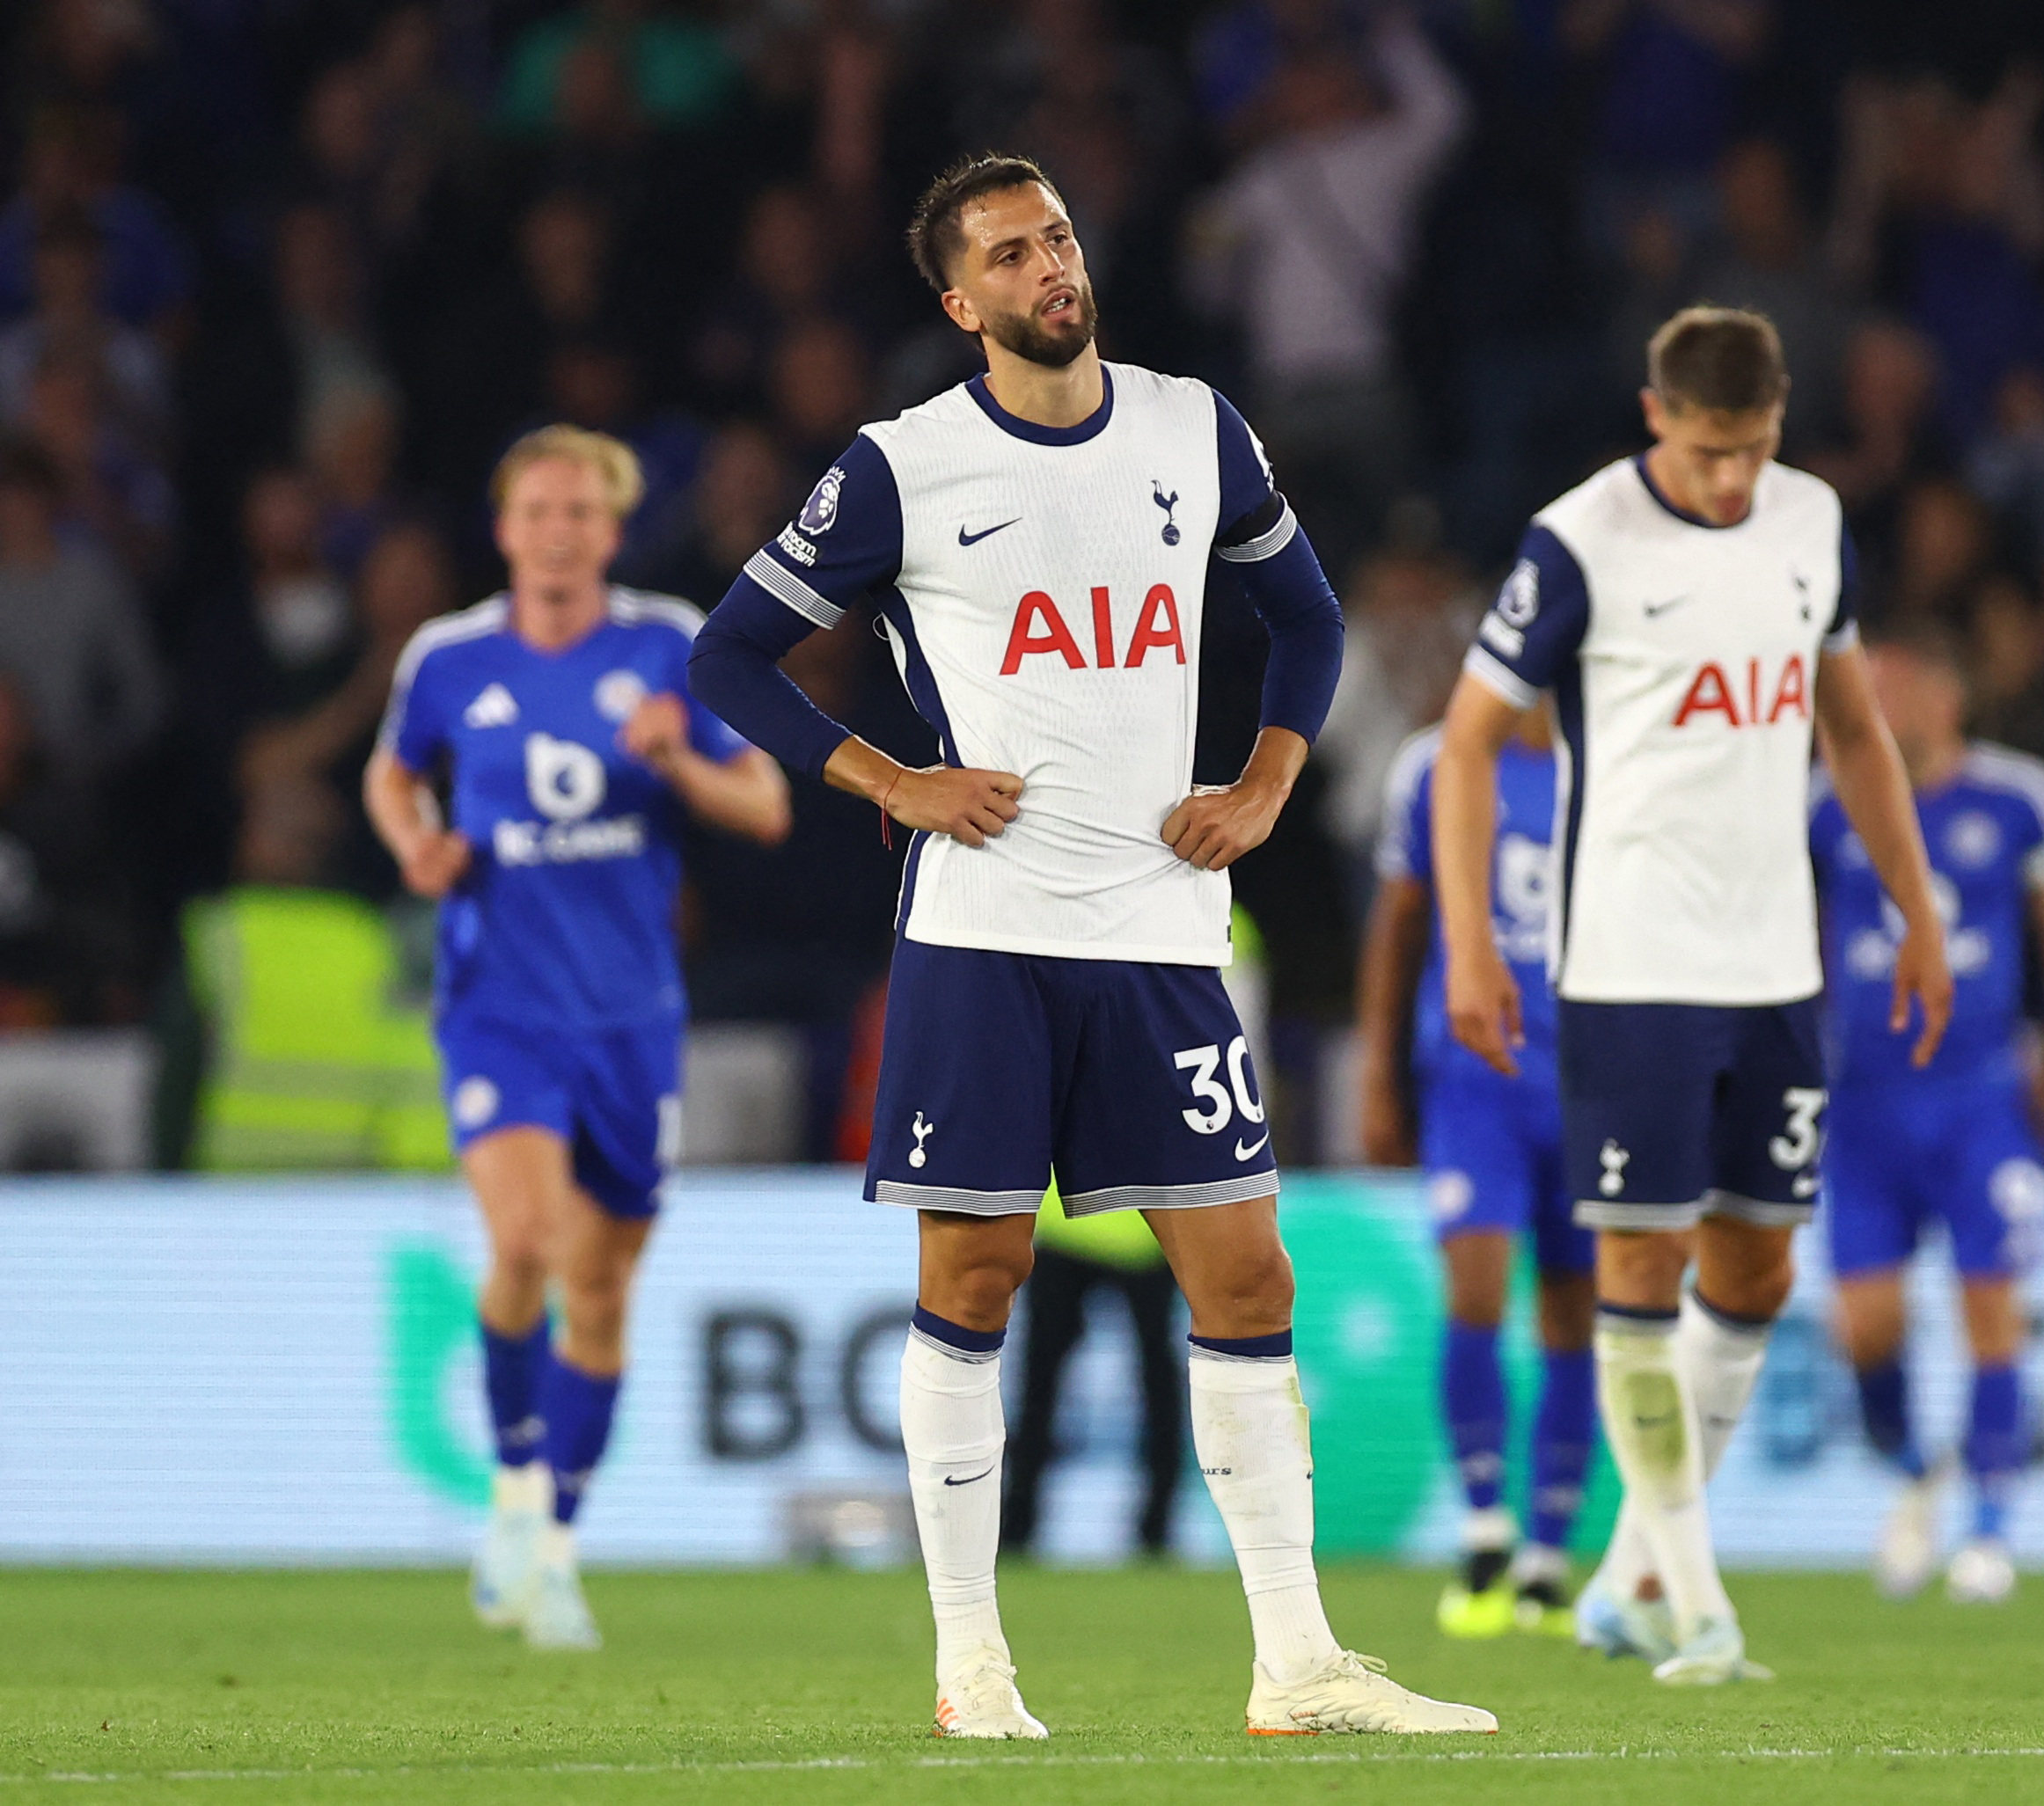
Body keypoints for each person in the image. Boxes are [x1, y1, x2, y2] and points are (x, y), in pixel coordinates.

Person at [689, 153, 1492, 1739]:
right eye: (1009, 254)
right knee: (971, 1272)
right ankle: (971, 1665)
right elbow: (729, 653)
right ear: (958, 301)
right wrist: (889, 777)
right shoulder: (899, 467)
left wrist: (1264, 780)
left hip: (1159, 925)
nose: (1048, 266)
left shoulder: (1195, 426)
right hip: (982, 929)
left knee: (1246, 1267)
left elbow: (1308, 620)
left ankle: (1296, 1660)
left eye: (1054, 237)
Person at [1430, 306, 1953, 1685]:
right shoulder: (1581, 540)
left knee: (1760, 1270)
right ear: (1658, 417)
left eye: (1756, 449)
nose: (1733, 479)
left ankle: (1627, 1577)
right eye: (1712, 450)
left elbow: (1855, 729)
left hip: (1776, 963)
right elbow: (1467, 747)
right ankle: (1697, 1598)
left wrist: (1916, 909)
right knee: (1639, 1271)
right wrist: (1472, 941)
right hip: (1633, 963)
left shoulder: (1812, 523)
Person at [364, 427, 789, 1649]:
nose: (559, 531)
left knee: (600, 1290)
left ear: (611, 532)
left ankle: (553, 1545)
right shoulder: (447, 659)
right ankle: (507, 1491)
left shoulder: (667, 646)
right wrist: (415, 844)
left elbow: (762, 801)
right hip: (500, 1005)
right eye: (538, 510)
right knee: (530, 1241)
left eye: (582, 513)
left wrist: (679, 764)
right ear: (504, 529)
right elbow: (396, 778)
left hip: (632, 1018)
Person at [1810, 618, 2044, 1606]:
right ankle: (1911, 1469)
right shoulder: (1827, 804)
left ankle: (1989, 1531)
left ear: (1948, 697)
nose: (1879, 712)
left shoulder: (2019, 797)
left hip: (1979, 1098)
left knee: (1992, 1307)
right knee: (1866, 1325)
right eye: (1869, 695)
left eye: (1895, 690)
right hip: (1862, 1105)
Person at [1358, 703, 1597, 1640]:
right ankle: (1484, 1519)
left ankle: (1548, 1552)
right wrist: (1379, 1074)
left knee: (1576, 1310)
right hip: (1473, 1078)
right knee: (1477, 1287)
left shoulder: (1611, 754)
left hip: (1588, 1080)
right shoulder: (1435, 763)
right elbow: (1399, 922)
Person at [1000, 1181, 1183, 1561]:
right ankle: (1156, 1531)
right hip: (1144, 1229)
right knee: (1157, 1387)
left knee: (1040, 1386)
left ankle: (1018, 1528)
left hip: (1073, 1222)